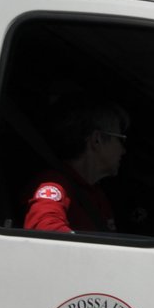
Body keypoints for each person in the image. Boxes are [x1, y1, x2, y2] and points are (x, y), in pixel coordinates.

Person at [24, 93, 129, 233]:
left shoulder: (96, 193)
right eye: (121, 139)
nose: (124, 151)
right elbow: (43, 228)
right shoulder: (55, 184)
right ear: (97, 140)